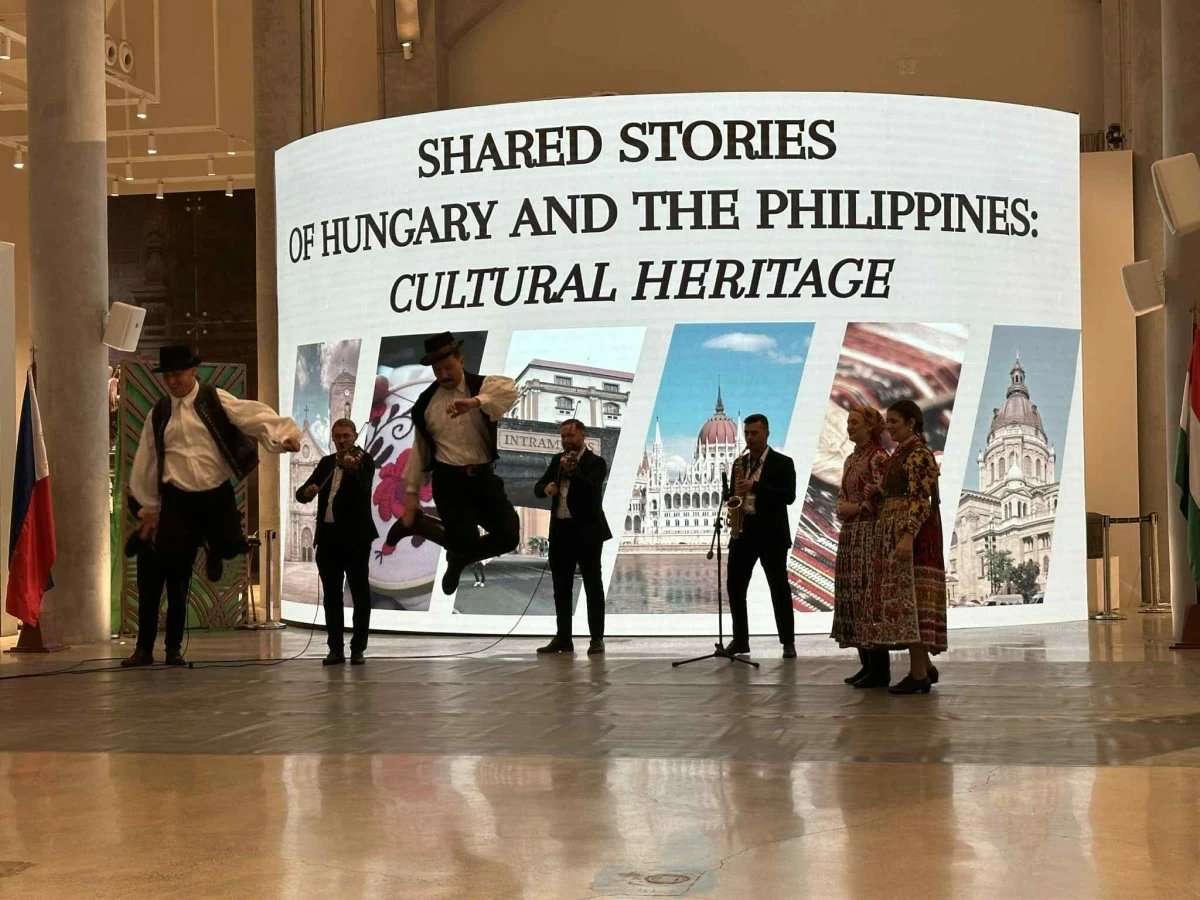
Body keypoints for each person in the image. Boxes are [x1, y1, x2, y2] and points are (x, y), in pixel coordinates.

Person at [121, 345, 300, 668]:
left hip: (215, 493)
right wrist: (148, 506)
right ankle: (163, 649)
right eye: (168, 376)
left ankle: (215, 546)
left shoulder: (213, 399)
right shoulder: (160, 413)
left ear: (193, 372)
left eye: (178, 374)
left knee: (232, 546)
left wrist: (282, 436)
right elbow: (146, 461)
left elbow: (254, 415)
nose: (173, 381)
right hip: (176, 498)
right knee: (174, 565)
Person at [384, 332, 520, 595]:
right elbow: (421, 451)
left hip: (483, 478)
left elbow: (509, 391)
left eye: (448, 367)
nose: (444, 375)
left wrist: (474, 402)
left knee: (509, 536)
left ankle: (452, 552)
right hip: (450, 483)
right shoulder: (426, 405)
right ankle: (455, 551)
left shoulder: (481, 387)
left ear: (461, 360)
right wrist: (411, 495)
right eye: (438, 370)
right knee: (464, 537)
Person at [866, 399, 947, 694]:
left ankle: (917, 674)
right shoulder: (902, 452)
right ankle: (923, 666)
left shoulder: (919, 453)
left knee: (911, 603)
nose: (889, 427)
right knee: (906, 602)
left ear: (911, 422)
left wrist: (908, 535)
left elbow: (920, 498)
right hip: (898, 531)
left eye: (894, 422)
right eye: (888, 422)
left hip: (913, 536)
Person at [295, 418, 378, 666]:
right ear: (333, 437)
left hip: (356, 540)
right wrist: (306, 493)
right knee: (331, 597)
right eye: (338, 436)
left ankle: (358, 649)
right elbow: (302, 493)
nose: (342, 440)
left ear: (354, 437)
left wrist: (353, 469)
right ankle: (335, 650)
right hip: (328, 539)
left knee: (360, 595)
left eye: (347, 436)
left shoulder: (364, 461)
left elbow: (365, 489)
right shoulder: (327, 463)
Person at [533, 419, 612, 655]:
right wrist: (545, 488)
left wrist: (573, 471)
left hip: (588, 533)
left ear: (582, 436)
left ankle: (596, 638)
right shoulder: (557, 461)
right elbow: (538, 486)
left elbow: (592, 490)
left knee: (592, 586)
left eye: (570, 436)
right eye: (563, 437)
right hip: (561, 533)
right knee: (561, 586)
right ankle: (563, 638)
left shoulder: (596, 462)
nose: (566, 441)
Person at [723, 414, 798, 659]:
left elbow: (788, 496)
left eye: (754, 433)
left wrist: (755, 486)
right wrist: (730, 497)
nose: (750, 438)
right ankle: (740, 640)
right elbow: (734, 493)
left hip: (771, 535)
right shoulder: (739, 464)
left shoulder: (783, 463)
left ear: (766, 433)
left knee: (778, 588)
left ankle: (788, 642)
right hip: (743, 533)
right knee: (735, 587)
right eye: (747, 433)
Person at [830, 406, 890, 688]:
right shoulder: (851, 459)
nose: (849, 427)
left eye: (854, 423)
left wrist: (851, 507)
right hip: (851, 534)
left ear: (870, 426)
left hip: (869, 535)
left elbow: (877, 500)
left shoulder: (878, 457)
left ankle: (879, 669)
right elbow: (842, 498)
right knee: (852, 597)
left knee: (867, 597)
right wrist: (847, 507)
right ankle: (866, 664)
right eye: (848, 423)